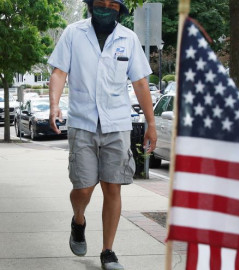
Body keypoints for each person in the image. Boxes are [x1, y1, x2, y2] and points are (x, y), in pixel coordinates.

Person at [48, 0, 157, 269]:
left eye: (112, 4)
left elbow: (140, 82)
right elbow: (60, 72)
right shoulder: (74, 33)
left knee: (112, 186)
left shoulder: (128, 39)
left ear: (120, 9)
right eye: (100, 2)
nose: (105, 7)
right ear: (90, 4)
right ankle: (79, 220)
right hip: (83, 123)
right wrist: (54, 106)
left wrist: (151, 123)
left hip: (117, 124)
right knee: (83, 188)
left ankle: (108, 251)